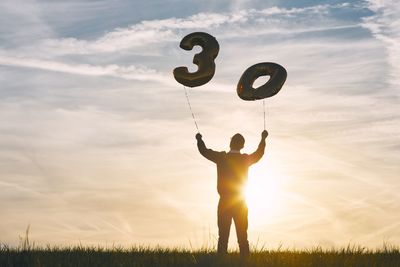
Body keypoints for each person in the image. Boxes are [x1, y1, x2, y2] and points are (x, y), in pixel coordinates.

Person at [196, 130, 268, 257]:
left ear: (230, 143)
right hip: (241, 202)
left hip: (225, 202)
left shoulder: (222, 157)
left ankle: (221, 262)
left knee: (223, 237)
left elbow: (204, 151)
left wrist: (199, 139)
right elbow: (259, 153)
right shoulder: (245, 159)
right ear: (242, 146)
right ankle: (245, 262)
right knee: (242, 236)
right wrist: (263, 138)